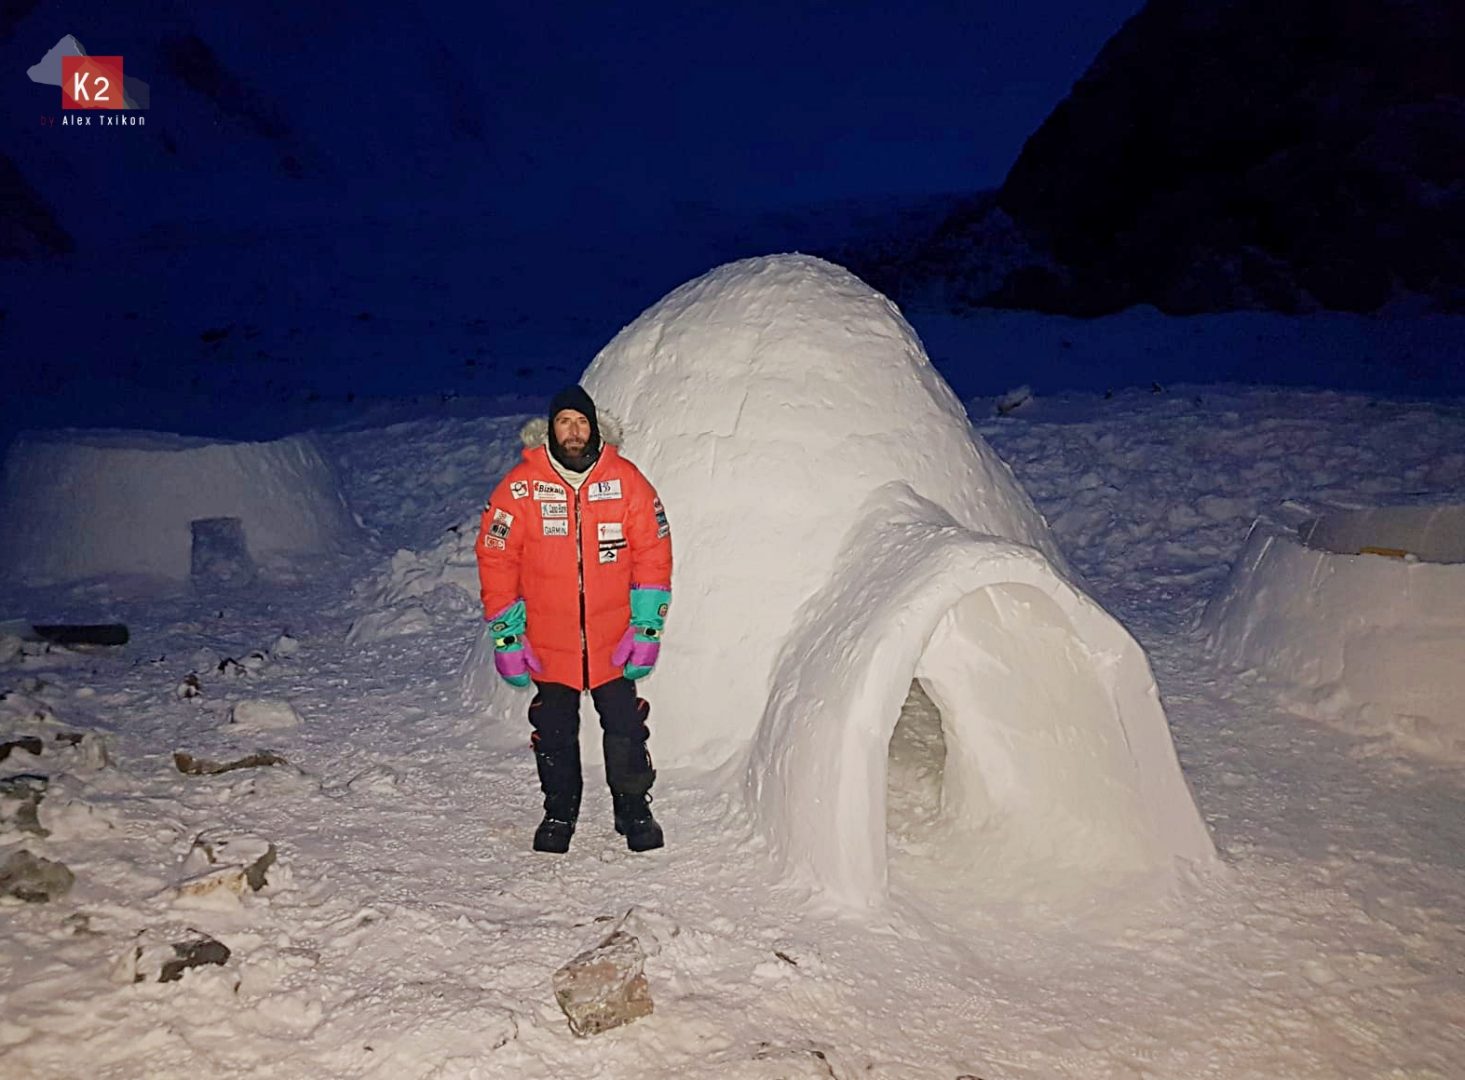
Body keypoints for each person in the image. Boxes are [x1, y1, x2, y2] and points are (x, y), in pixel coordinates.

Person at [475, 385, 672, 854]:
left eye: (582, 422)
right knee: (554, 733)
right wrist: (507, 635)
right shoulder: (520, 488)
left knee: (625, 727)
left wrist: (646, 629)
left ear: (595, 427)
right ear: (550, 429)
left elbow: (653, 554)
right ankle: (559, 813)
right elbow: (495, 558)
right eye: (564, 421)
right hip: (548, 643)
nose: (574, 431)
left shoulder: (626, 482)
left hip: (612, 641)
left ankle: (633, 810)